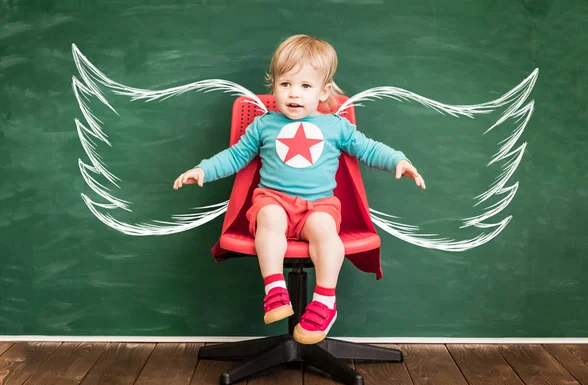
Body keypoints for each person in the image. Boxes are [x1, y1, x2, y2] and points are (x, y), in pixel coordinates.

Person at [173, 34, 426, 345]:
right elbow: (236, 156)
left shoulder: (336, 126)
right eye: (285, 84)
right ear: (274, 85)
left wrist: (398, 161)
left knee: (325, 231)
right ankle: (275, 289)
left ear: (324, 91)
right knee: (269, 217)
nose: (294, 94)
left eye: (305, 86)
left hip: (318, 206)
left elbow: (369, 149)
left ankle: (324, 301)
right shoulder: (264, 125)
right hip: (273, 200)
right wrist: (203, 170)